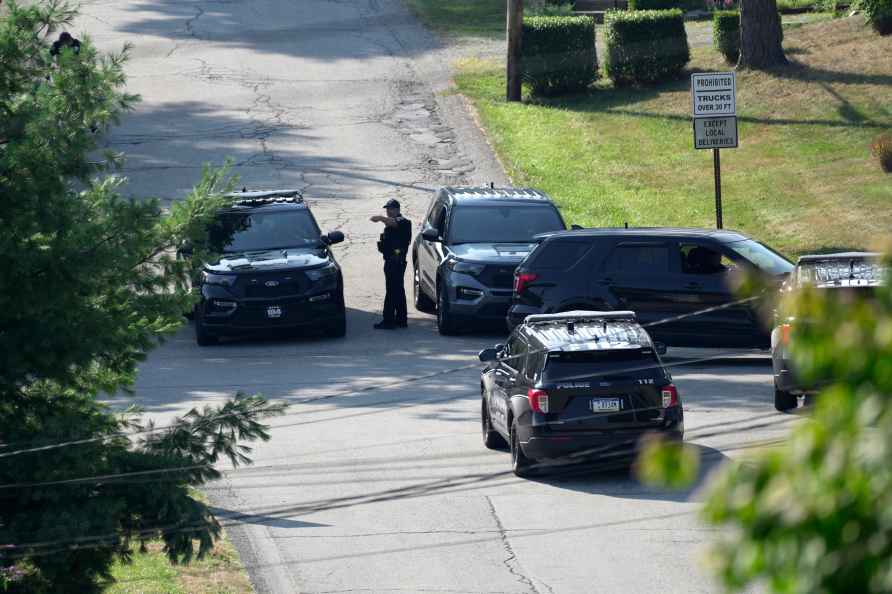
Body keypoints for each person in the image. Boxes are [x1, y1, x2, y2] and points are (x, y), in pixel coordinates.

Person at [370, 199, 412, 329]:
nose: (388, 211)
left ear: (397, 210)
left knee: (392, 291)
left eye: (391, 209)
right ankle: (401, 319)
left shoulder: (403, 222)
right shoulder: (391, 223)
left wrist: (380, 218)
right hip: (391, 261)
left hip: (396, 262)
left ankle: (389, 320)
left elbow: (394, 223)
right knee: (398, 290)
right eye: (387, 209)